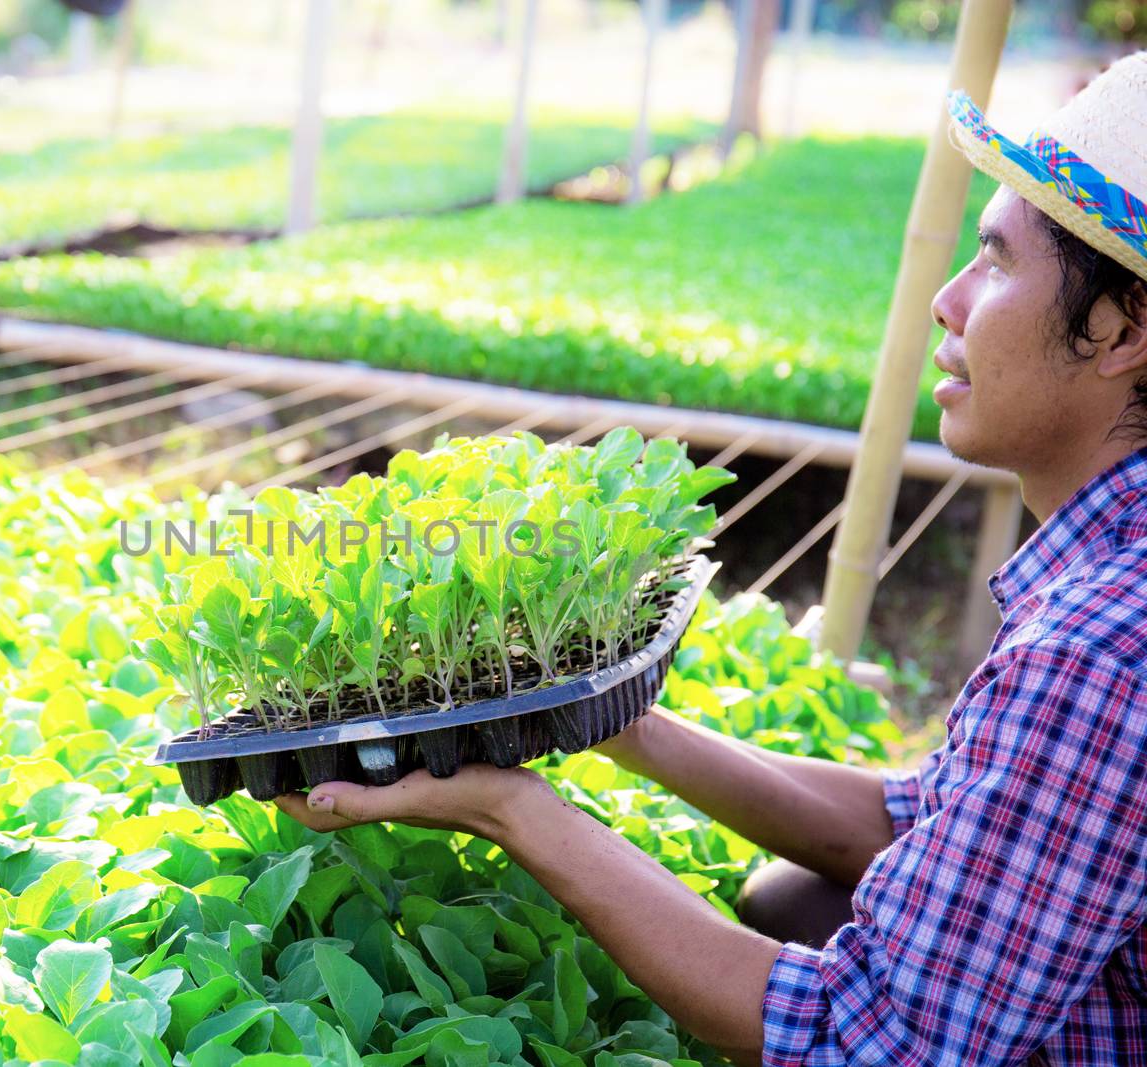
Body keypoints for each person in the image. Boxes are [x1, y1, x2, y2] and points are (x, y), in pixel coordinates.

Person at [276, 51, 1147, 1067]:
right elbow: (919, 818)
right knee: (794, 895)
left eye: (996, 262)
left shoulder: (1100, 647)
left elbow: (862, 1045)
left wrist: (511, 805)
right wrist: (613, 718)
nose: (947, 300)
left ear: (1122, 327)